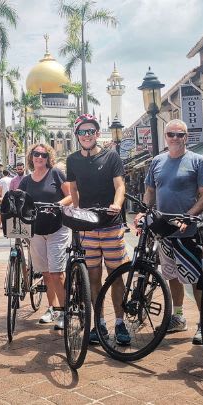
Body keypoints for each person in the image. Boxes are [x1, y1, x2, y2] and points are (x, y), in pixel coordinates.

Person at [137, 119, 203, 345]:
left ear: (186, 137)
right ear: (166, 136)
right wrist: (143, 211)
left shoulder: (198, 161)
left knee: (195, 278)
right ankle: (178, 317)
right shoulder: (157, 161)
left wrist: (188, 216)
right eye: (171, 134)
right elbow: (150, 190)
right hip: (164, 230)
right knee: (172, 276)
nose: (175, 138)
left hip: (187, 231)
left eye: (180, 135)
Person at [65, 113, 130, 346]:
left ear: (97, 133)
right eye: (83, 132)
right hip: (88, 226)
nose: (87, 135)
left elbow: (120, 184)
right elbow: (73, 189)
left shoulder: (111, 156)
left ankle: (120, 323)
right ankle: (99, 322)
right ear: (77, 135)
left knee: (115, 275)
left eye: (91, 131)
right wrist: (76, 210)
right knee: (93, 277)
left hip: (111, 223)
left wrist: (117, 204)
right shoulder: (72, 161)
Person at [0, 144, 71, 329]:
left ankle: (65, 311)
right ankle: (53, 308)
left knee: (57, 272)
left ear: (48, 157)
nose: (39, 157)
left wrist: (58, 204)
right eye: (36, 154)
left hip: (57, 228)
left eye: (43, 154)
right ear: (31, 157)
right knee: (45, 272)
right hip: (35, 230)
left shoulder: (56, 174)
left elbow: (72, 196)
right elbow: (17, 198)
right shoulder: (26, 180)